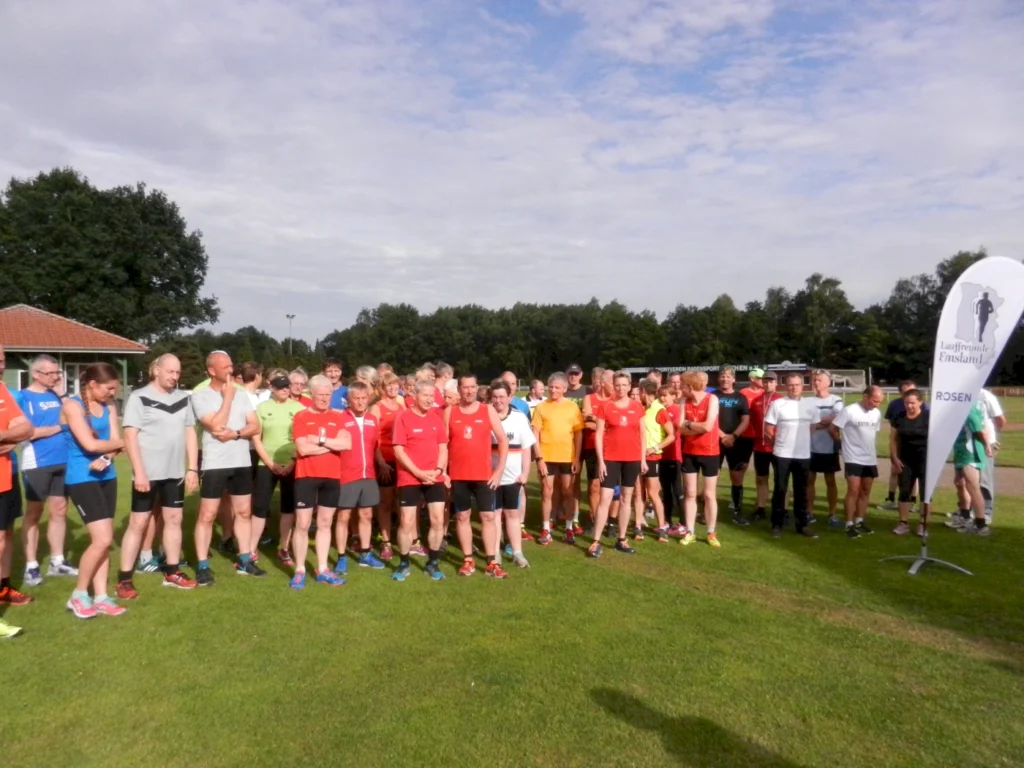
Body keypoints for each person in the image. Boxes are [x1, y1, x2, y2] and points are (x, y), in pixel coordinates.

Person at [116, 354, 199, 598]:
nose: (174, 376)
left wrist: (192, 467)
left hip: (174, 473)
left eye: (177, 372)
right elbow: (130, 436)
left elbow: (190, 433)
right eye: (170, 372)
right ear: (156, 371)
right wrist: (139, 472)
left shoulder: (184, 399)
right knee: (138, 523)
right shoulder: (139, 397)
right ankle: (124, 579)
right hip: (147, 474)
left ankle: (172, 571)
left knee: (174, 519)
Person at [62, 364, 127, 618]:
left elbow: (111, 444)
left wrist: (110, 453)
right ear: (92, 384)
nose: (112, 393)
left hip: (107, 476)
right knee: (102, 540)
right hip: (82, 477)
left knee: (104, 540)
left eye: (114, 388)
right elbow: (89, 444)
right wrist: (121, 444)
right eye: (108, 388)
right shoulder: (72, 406)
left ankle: (100, 597)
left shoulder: (110, 407)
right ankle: (78, 595)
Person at [192, 352, 262, 585]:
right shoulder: (200, 396)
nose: (231, 370)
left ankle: (244, 559)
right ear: (212, 371)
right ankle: (202, 565)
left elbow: (255, 425)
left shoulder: (242, 395)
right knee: (207, 514)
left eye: (232, 365)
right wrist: (228, 398)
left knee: (243, 512)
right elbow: (215, 424)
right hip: (214, 463)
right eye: (226, 367)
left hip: (241, 461)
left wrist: (237, 433)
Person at [15, 354, 76, 587]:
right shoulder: (23, 398)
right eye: (51, 373)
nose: (56, 377)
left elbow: (74, 417)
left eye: (57, 373)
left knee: (59, 510)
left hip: (64, 460)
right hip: (38, 462)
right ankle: (31, 565)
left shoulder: (57, 396)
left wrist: (61, 394)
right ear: (36, 374)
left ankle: (57, 561)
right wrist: (61, 427)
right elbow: (28, 433)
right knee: (34, 512)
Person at [444, 375, 509, 578]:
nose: (469, 391)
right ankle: (468, 559)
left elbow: (503, 440)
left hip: (484, 475)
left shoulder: (487, 410)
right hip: (458, 475)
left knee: (488, 516)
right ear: (459, 389)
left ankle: (491, 561)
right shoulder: (450, 412)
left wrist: (498, 472)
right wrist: (444, 472)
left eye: (473, 387)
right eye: (465, 387)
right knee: (462, 516)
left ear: (477, 388)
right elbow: (442, 445)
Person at [289, 375, 349, 588]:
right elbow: (302, 448)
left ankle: (323, 568)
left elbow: (346, 444)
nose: (324, 399)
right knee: (303, 524)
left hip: (331, 476)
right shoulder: (301, 417)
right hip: (306, 476)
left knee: (325, 523)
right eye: (320, 395)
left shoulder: (338, 417)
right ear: (311, 395)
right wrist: (331, 446)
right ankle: (299, 569)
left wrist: (321, 441)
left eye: (327, 395)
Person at [392, 380, 449, 582]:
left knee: (437, 520)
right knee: (406, 522)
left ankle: (432, 563)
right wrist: (417, 472)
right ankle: (404, 562)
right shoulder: (403, 418)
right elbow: (398, 450)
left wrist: (438, 470)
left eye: (432, 396)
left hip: (435, 476)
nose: (429, 399)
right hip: (410, 477)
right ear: (414, 396)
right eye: (425, 395)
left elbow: (443, 448)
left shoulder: (436, 419)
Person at [590, 371, 646, 557]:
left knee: (626, 499)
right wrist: (601, 461)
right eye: (617, 385)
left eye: (624, 385)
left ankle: (621, 540)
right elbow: (598, 435)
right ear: (613, 386)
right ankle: (595, 541)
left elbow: (643, 434)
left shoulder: (638, 407)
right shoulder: (605, 407)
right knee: (605, 499)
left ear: (629, 386)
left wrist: (643, 459)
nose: (621, 388)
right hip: (610, 459)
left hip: (632, 459)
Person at [252, 372, 304, 566]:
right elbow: (257, 438)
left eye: (286, 386)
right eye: (280, 386)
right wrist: (270, 463)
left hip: (292, 463)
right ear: (271, 388)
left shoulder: (298, 408)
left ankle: (284, 547)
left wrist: (291, 462)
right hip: (266, 463)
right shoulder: (262, 407)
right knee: (260, 507)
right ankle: (251, 549)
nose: (284, 389)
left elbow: (301, 438)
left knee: (288, 507)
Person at [334, 380, 386, 574]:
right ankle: (341, 557)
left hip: (369, 475)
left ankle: (365, 553)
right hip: (346, 475)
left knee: (366, 515)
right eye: (356, 398)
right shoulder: (340, 418)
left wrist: (381, 462)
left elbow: (376, 446)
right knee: (343, 516)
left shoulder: (373, 419)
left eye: (364, 398)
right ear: (349, 400)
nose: (361, 402)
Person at [0, 347, 34, 633]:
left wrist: (5, 435)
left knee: (6, 534)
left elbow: (25, 427)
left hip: (6, 476)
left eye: (2, 359)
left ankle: (3, 587)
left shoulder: (2, 389)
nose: (1, 364)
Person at [764, 373, 821, 539]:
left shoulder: (810, 405)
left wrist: (800, 441)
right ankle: (777, 524)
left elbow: (813, 427)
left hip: (803, 455)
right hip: (782, 454)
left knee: (801, 491)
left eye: (797, 384)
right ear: (785, 386)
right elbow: (768, 429)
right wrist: (780, 442)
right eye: (790, 385)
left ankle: (802, 525)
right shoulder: (778, 404)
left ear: (802, 386)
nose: (794, 387)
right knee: (780, 489)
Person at [531, 372, 583, 545]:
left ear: (564, 389)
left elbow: (578, 434)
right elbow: (535, 434)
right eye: (550, 387)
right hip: (547, 457)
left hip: (567, 457)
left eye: (557, 387)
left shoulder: (572, 407)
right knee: (547, 492)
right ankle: (546, 528)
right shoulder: (541, 407)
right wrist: (539, 459)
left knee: (568, 492)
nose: (553, 390)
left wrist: (576, 458)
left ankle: (569, 528)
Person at [488, 380, 535, 569]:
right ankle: (496, 553)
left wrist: (525, 473)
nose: (498, 401)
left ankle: (517, 553)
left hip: (513, 477)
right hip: (491, 477)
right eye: (495, 397)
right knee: (494, 515)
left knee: (513, 515)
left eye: (502, 397)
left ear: (509, 397)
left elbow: (526, 448)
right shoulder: (486, 416)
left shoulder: (519, 417)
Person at [828, 386, 883, 539]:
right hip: (853, 457)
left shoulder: (877, 413)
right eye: (874, 400)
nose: (876, 404)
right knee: (853, 490)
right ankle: (849, 524)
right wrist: (841, 444)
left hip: (870, 458)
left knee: (865, 491)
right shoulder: (849, 410)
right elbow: (832, 429)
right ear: (865, 396)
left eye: (879, 402)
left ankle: (859, 521)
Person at [676, 372, 721, 547]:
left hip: (710, 452)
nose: (680, 387)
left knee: (709, 495)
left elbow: (709, 426)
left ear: (690, 386)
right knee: (690, 494)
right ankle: (690, 531)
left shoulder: (712, 399)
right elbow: (680, 428)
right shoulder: (683, 402)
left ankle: (711, 532)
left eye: (682, 385)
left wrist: (688, 424)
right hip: (689, 452)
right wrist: (695, 427)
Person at [370, 372, 406, 561]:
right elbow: (373, 438)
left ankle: (404, 539)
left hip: (402, 460)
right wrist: (381, 462)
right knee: (385, 501)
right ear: (382, 388)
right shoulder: (377, 408)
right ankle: (385, 541)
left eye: (395, 385)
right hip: (385, 460)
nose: (392, 388)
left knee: (401, 500)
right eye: (388, 385)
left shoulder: (402, 406)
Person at [946, 401, 993, 536]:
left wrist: (986, 446)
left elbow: (979, 429)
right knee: (959, 483)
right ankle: (965, 517)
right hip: (960, 450)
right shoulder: (959, 405)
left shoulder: (969, 406)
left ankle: (980, 524)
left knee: (973, 487)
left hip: (970, 451)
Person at [889, 389, 930, 536]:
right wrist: (894, 457)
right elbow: (893, 439)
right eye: (906, 403)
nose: (909, 406)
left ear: (920, 402)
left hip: (925, 460)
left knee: (926, 493)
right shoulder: (899, 417)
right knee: (904, 491)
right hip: (904, 461)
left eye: (912, 403)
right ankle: (903, 523)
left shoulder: (928, 417)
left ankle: (922, 524)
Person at [715, 366, 752, 526]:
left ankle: (737, 511)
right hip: (715, 440)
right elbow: (709, 419)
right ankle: (707, 511)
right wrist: (722, 435)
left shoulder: (740, 397)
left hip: (736, 442)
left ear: (734, 379)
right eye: (722, 376)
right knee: (712, 477)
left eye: (728, 376)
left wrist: (733, 436)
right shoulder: (712, 396)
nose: (725, 379)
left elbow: (745, 420)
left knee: (736, 477)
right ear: (719, 378)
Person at [878, 380, 924, 510]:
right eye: (905, 391)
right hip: (900, 441)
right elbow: (891, 425)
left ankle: (912, 500)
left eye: (911, 390)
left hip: (915, 444)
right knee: (895, 470)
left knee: (914, 474)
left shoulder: (923, 407)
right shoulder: (895, 404)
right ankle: (891, 499)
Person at [806, 370, 844, 525]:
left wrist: (815, 424)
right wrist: (822, 422)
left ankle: (832, 514)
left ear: (828, 382)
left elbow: (836, 419)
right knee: (809, 480)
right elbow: (805, 422)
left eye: (820, 380)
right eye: (815, 380)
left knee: (830, 481)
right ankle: (809, 512)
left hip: (829, 448)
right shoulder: (807, 401)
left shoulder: (836, 400)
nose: (816, 383)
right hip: (809, 447)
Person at [639, 380, 674, 542]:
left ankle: (662, 527)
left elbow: (671, 435)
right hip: (637, 457)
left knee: (653, 493)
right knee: (638, 493)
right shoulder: (642, 408)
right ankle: (638, 526)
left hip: (652, 457)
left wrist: (654, 448)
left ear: (644, 392)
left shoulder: (659, 410)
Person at [747, 371, 781, 522]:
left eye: (771, 381)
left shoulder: (781, 400)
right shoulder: (756, 401)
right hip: (760, 447)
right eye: (765, 381)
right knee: (761, 478)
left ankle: (782, 510)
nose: (768, 384)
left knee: (781, 480)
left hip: (778, 447)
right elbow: (753, 422)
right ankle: (760, 508)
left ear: (776, 383)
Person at [581, 368, 611, 532]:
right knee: (593, 485)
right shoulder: (589, 398)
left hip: (611, 447)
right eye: (597, 380)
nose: (600, 383)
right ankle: (593, 517)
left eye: (603, 380)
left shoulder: (613, 400)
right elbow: (586, 422)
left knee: (607, 487)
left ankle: (608, 519)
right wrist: (604, 423)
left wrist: (596, 419)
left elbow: (614, 425)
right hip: (592, 447)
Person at [977, 388, 1005, 524]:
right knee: (968, 479)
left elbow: (1000, 419)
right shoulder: (963, 394)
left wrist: (992, 437)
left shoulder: (986, 395)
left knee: (985, 478)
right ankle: (969, 510)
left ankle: (987, 511)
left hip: (986, 442)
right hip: (968, 442)